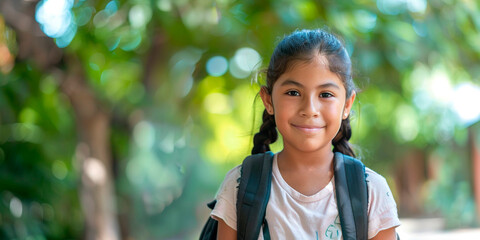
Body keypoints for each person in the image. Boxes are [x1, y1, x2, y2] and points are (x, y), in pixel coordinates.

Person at [210, 29, 401, 239]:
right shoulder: (239, 186)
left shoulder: (371, 191)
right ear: (268, 100)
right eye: (293, 93)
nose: (310, 109)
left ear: (347, 105)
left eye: (325, 94)